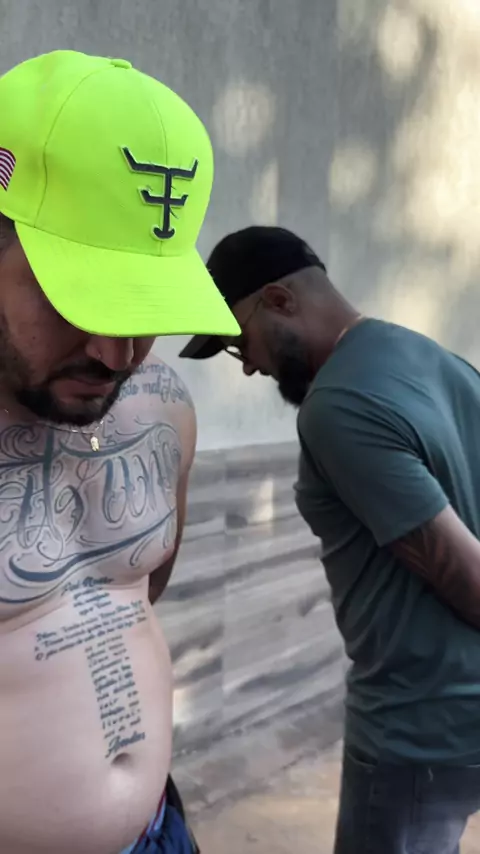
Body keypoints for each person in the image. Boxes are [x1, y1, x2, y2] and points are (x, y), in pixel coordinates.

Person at [0, 50, 239, 854]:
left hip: (160, 832)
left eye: (143, 301)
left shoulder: (161, 406)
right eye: (79, 296)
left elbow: (142, 594)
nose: (117, 351)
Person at [179, 225, 480, 854]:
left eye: (240, 341)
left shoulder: (336, 406)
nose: (250, 365)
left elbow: (462, 575)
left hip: (416, 731)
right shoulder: (436, 360)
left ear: (279, 300)